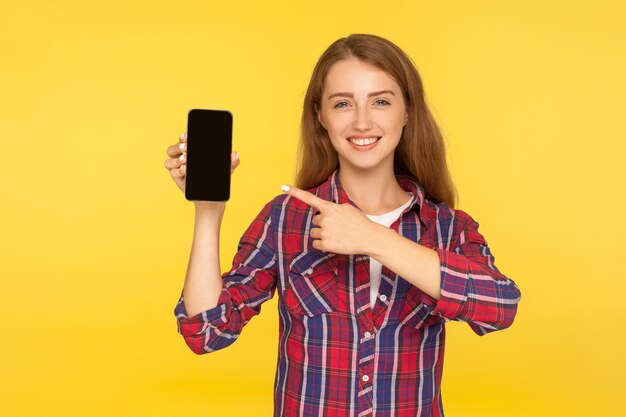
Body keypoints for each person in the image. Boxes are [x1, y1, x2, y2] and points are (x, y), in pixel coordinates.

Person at [164, 33, 521, 417]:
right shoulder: (286, 219)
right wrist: (207, 212)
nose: (362, 121)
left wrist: (373, 238)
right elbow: (206, 333)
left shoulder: (447, 227)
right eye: (343, 104)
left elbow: (499, 307)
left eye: (381, 101)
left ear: (407, 112)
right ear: (320, 115)